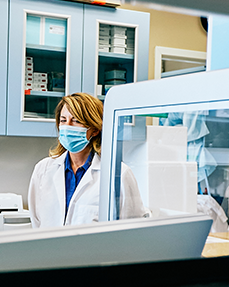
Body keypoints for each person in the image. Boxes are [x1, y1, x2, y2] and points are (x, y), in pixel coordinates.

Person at [27, 93, 149, 228]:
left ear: (95, 129)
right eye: (63, 120)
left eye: (76, 121)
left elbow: (131, 228)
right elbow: (36, 222)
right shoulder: (43, 169)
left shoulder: (118, 174)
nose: (67, 126)